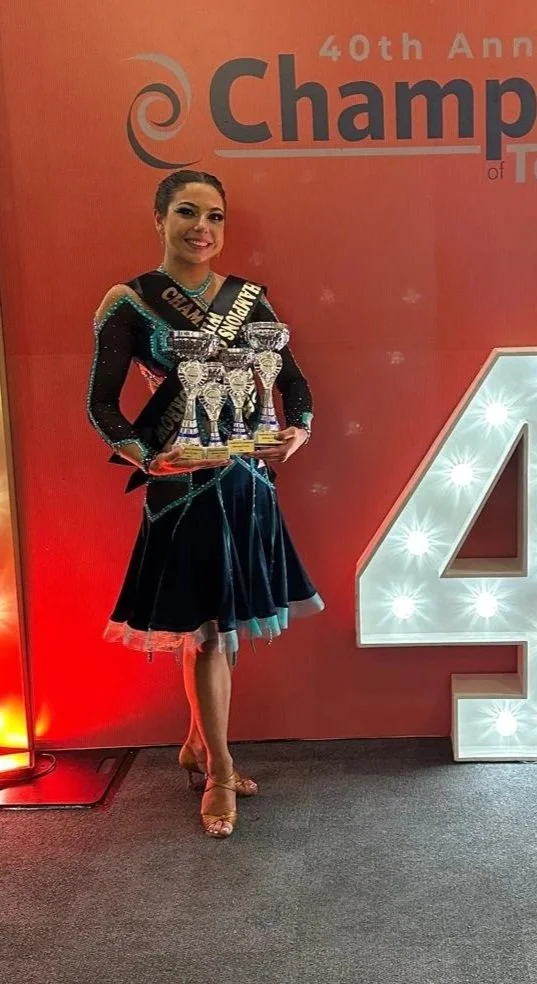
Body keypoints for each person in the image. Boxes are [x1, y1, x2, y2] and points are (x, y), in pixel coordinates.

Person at [87, 169, 324, 838]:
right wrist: (146, 456)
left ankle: (198, 745)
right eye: (188, 212)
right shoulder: (130, 302)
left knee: (225, 624)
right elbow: (101, 403)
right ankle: (220, 770)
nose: (203, 228)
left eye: (215, 216)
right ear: (159, 219)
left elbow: (293, 381)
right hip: (183, 484)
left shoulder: (248, 299)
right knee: (208, 630)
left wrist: (298, 431)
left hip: (248, 480)